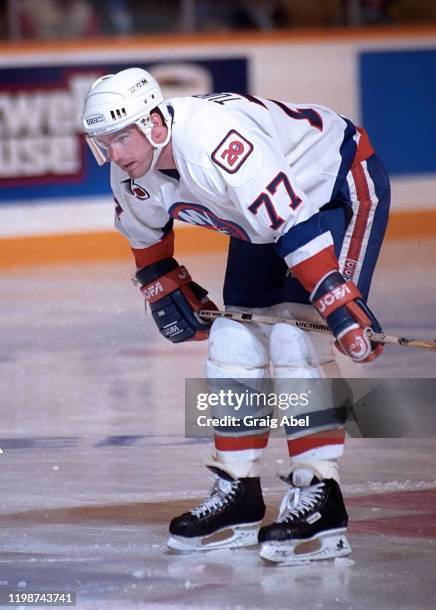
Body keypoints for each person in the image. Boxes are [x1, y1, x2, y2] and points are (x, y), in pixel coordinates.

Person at [81, 67, 390, 564]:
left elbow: (292, 220)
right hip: (267, 217)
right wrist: (162, 286)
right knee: (232, 335)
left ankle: (321, 496)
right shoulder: (130, 169)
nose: (114, 154)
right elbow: (148, 240)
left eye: (122, 137)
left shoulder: (215, 143)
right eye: (104, 142)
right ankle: (239, 491)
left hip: (335, 185)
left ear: (156, 123)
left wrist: (338, 302)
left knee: (295, 336)